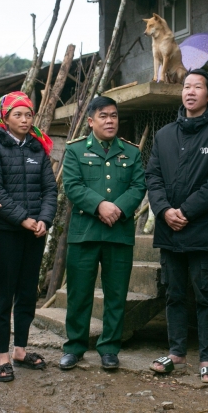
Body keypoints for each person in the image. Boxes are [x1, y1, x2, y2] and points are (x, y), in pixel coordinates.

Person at [146, 69, 208, 383]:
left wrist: (185, 210)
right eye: (186, 86)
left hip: (203, 229)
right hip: (169, 229)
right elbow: (153, 177)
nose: (190, 91)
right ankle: (176, 353)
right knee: (173, 294)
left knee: (206, 294)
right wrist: (163, 210)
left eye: (198, 86)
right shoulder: (165, 134)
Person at [58, 97, 147, 370]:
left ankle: (109, 348)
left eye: (114, 116)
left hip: (118, 233)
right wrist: (99, 205)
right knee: (79, 293)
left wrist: (118, 208)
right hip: (84, 233)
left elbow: (138, 185)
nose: (110, 121)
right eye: (104, 116)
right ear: (91, 121)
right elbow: (71, 185)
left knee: (116, 294)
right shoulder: (74, 150)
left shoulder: (131, 152)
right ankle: (74, 347)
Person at [0, 91, 58, 382]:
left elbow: (50, 190)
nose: (25, 120)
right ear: (4, 117)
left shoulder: (38, 149)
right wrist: (24, 219)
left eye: (28, 115)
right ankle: (2, 356)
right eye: (18, 114)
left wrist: (44, 220)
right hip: (7, 232)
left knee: (27, 293)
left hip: (35, 233)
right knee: (3, 294)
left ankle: (20, 350)